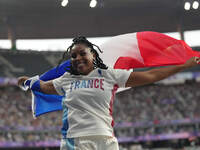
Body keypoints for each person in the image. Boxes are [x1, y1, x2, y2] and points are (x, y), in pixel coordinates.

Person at [18, 36, 200, 150]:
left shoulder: (110, 75)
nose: (77, 58)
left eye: (82, 53)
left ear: (94, 56)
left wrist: (183, 66)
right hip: (75, 141)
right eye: (73, 56)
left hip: (106, 141)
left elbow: (151, 75)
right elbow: (43, 86)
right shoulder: (66, 79)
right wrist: (26, 81)